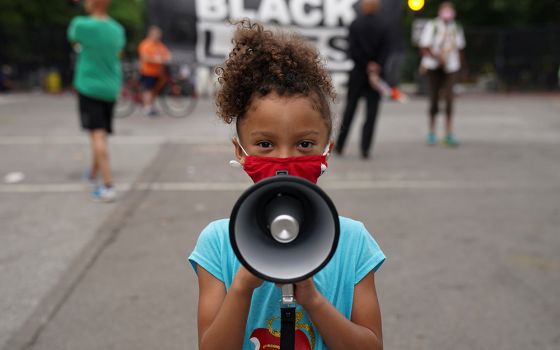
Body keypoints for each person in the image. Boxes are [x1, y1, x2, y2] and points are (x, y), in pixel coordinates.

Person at [188, 20, 385, 350]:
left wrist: (312, 299)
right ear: (241, 151)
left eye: (305, 145)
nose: (284, 160)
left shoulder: (353, 243)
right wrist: (242, 286)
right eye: (265, 144)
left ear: (327, 151)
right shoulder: (218, 244)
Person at [68, 0, 125, 202]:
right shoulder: (117, 29)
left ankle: (107, 184)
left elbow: (73, 38)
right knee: (100, 132)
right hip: (110, 87)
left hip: (88, 86)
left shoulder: (81, 24)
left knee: (96, 136)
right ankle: (93, 173)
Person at [334, 0, 390, 159]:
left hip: (358, 72)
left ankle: (341, 144)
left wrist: (366, 65)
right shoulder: (384, 25)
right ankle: (365, 148)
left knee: (350, 109)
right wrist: (375, 66)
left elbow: (352, 49)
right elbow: (387, 50)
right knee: (371, 113)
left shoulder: (355, 24)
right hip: (376, 75)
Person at [419, 1, 466, 147]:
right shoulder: (432, 26)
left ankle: (449, 132)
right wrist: (437, 59)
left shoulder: (456, 27)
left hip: (451, 67)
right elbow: (424, 47)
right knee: (434, 99)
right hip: (434, 67)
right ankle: (432, 132)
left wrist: (461, 68)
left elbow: (460, 48)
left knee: (450, 100)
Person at [137, 25, 172, 116]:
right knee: (148, 89)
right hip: (147, 71)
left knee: (154, 90)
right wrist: (158, 60)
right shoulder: (146, 44)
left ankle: (150, 106)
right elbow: (145, 57)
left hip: (158, 72)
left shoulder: (159, 45)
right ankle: (147, 108)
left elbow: (167, 54)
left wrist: (166, 58)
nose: (158, 36)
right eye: (156, 34)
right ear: (151, 34)